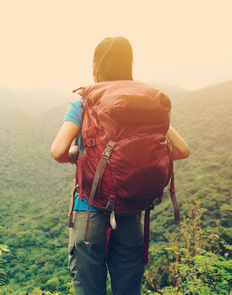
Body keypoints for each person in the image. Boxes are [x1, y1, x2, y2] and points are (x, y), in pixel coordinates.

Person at [50, 36, 190, 295]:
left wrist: (80, 152)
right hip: (130, 210)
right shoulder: (144, 105)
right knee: (128, 288)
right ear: (130, 66)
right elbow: (182, 150)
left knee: (89, 287)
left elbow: (58, 151)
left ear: (95, 68)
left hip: (89, 210)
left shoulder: (84, 103)